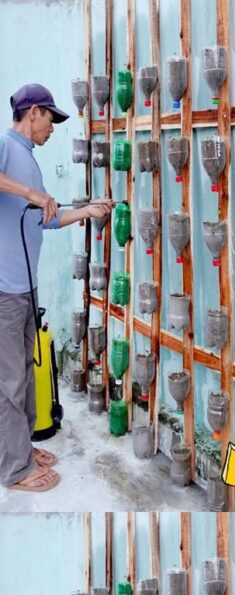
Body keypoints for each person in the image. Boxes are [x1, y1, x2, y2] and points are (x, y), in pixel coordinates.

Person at [0, 84, 113, 495]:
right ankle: (14, 470)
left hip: (25, 285)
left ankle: (22, 448)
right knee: (9, 382)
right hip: (4, 290)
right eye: (51, 118)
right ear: (32, 113)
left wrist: (86, 210)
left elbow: (44, 218)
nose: (53, 128)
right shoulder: (5, 146)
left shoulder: (27, 159)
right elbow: (27, 198)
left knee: (25, 376)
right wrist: (30, 191)